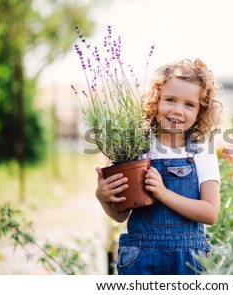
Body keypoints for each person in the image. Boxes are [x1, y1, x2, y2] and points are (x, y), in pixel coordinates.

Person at [95, 59, 222, 275]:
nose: (177, 110)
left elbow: (210, 212)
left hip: (188, 260)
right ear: (156, 101)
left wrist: (163, 194)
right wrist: (103, 197)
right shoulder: (137, 147)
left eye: (189, 104)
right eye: (170, 100)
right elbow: (120, 216)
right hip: (141, 257)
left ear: (201, 111)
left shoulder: (201, 150)